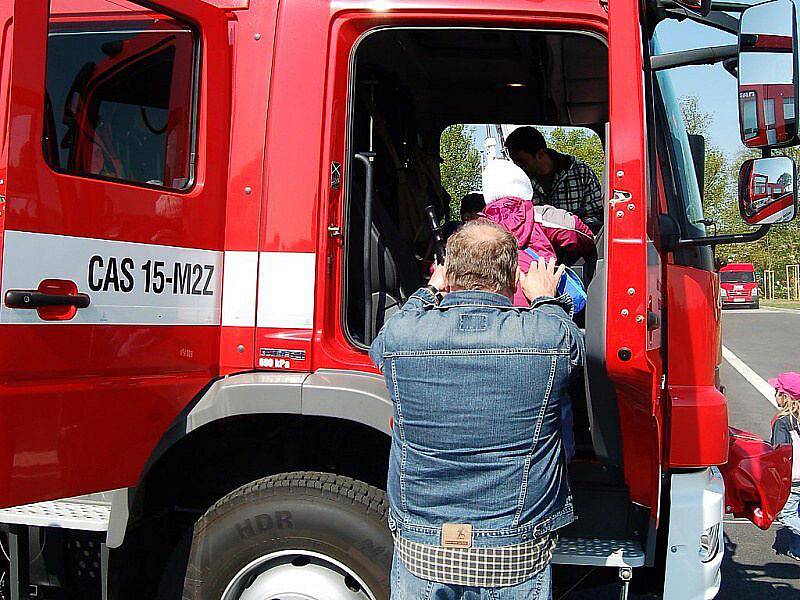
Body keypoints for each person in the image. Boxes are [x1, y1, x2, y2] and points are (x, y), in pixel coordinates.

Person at [370, 219, 584, 599]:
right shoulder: (549, 336)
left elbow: (389, 334)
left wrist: (429, 290)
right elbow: (570, 341)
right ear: (513, 278)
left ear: (448, 273)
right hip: (515, 552)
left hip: (423, 550)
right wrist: (544, 297)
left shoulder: (402, 336)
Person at [481, 159, 595, 308]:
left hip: (494, 307)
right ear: (525, 188)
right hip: (538, 303)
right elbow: (579, 233)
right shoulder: (540, 215)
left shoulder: (476, 228)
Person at [505, 126, 603, 233]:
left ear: (540, 154)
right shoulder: (518, 181)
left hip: (576, 244)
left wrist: (574, 225)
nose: (518, 167)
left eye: (522, 162)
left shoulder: (581, 173)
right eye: (515, 162)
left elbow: (597, 214)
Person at [770, 372, 800, 561]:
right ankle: (797, 549)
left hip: (794, 477)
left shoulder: (782, 423)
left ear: (785, 396)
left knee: (787, 515)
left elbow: (779, 453)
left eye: (777, 391)